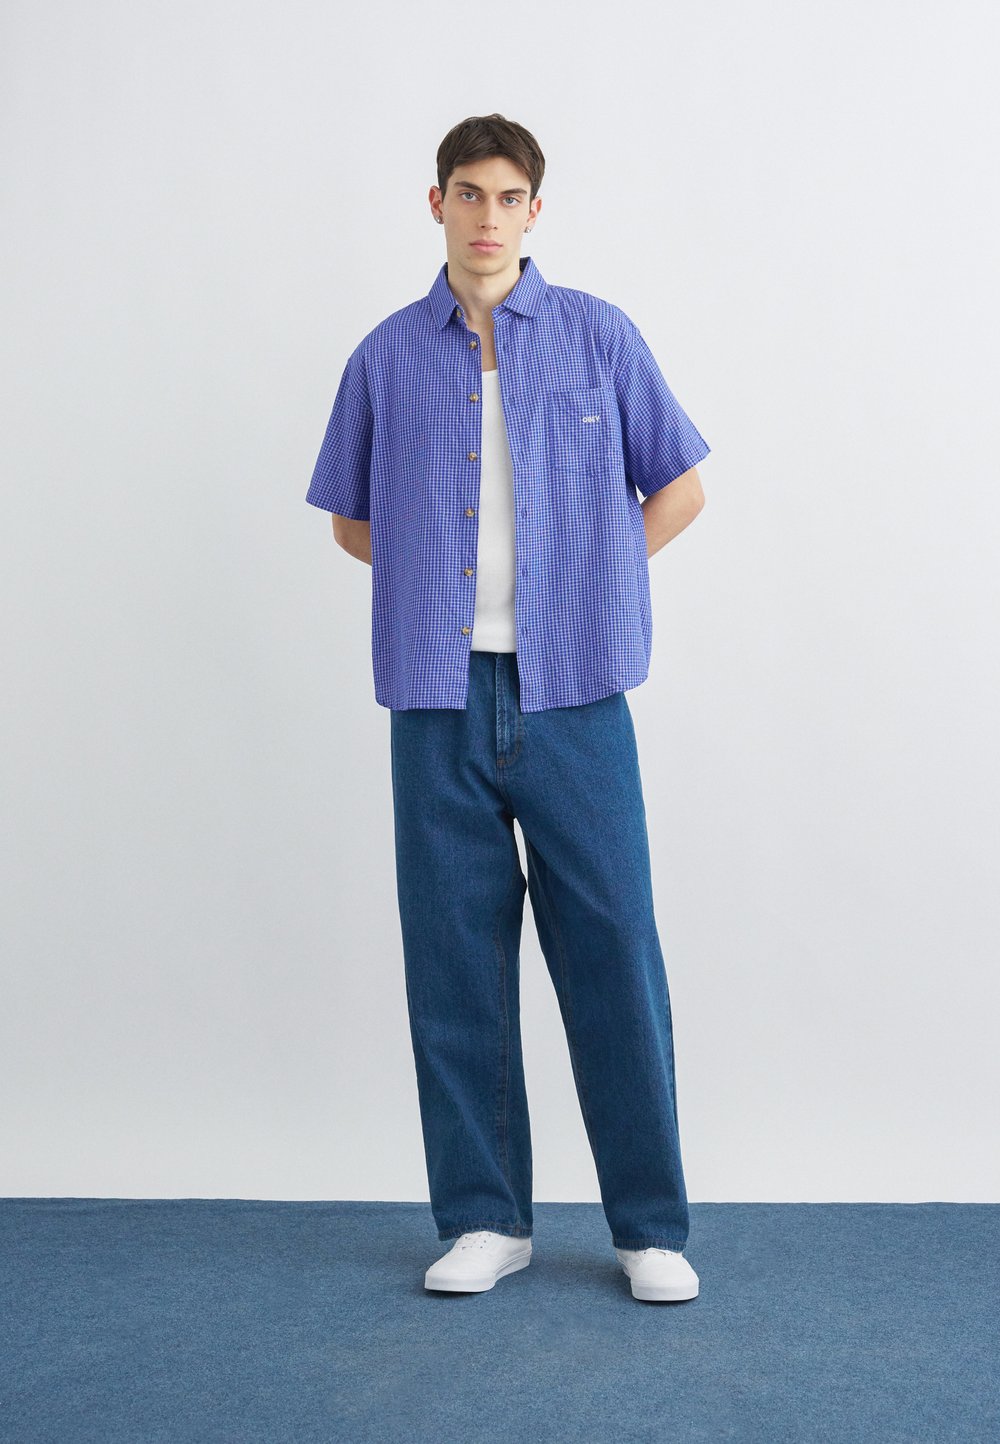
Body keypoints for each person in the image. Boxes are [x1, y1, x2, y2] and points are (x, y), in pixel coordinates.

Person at [306, 113, 710, 1303]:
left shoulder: (597, 337)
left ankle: (649, 1228)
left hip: (575, 694)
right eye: (468, 193)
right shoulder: (385, 357)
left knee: (613, 949)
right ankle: (487, 1218)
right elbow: (351, 522)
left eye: (509, 196)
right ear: (436, 203)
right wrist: (442, 595)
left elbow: (680, 487)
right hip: (436, 700)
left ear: (536, 211)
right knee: (454, 961)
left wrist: (592, 582)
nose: (488, 216)